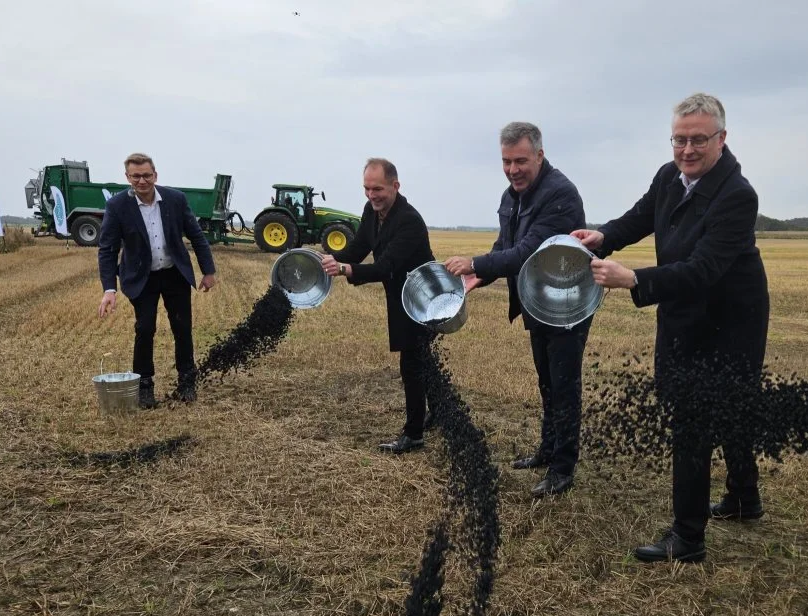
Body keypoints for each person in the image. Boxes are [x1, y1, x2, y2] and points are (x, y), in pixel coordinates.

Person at [572, 92, 770, 563]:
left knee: (697, 421)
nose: (687, 150)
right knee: (723, 411)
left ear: (722, 139)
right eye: (679, 139)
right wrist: (604, 235)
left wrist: (635, 279)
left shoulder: (737, 195)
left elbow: (703, 270)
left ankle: (687, 538)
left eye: (698, 139)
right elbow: (641, 217)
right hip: (683, 310)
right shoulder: (669, 176)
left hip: (730, 317)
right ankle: (745, 499)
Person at [443, 122, 591, 498]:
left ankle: (562, 468)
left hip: (565, 303)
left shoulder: (560, 196)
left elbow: (528, 251)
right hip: (535, 302)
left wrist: (475, 263)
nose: (513, 170)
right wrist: (480, 277)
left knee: (564, 384)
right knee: (546, 381)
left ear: (540, 155)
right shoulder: (512, 196)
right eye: (506, 161)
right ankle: (547, 449)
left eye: (521, 161)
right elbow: (505, 244)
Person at [321, 158, 434, 454]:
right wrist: (334, 260)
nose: (372, 195)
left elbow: (385, 267)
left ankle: (414, 434)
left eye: (378, 189)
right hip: (398, 295)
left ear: (395, 186)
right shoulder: (372, 212)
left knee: (412, 363)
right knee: (423, 361)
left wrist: (346, 270)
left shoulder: (409, 220)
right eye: (367, 188)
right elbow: (359, 248)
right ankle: (436, 412)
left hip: (420, 298)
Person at [98, 152, 217, 408]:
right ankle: (144, 386)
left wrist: (208, 271)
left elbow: (196, 236)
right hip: (142, 277)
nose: (142, 181)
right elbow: (107, 249)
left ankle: (187, 382)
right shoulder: (117, 206)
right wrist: (110, 288)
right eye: (136, 176)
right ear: (127, 177)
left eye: (147, 175)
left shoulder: (175, 199)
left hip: (174, 274)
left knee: (182, 328)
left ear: (155, 175)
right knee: (145, 329)